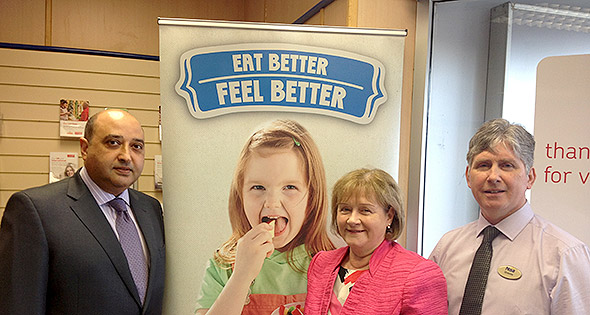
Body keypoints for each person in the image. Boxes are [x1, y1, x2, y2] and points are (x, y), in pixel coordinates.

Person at [0, 109, 166, 314]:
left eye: (136, 146)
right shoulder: (35, 210)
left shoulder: (150, 208)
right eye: (113, 143)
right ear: (85, 148)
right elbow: (19, 306)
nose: (126, 156)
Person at [429, 118, 590, 314]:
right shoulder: (447, 247)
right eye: (483, 165)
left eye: (507, 165)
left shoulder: (564, 254)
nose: (493, 176)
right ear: (468, 176)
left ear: (530, 178)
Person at [195, 119, 334, 315]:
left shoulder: (333, 266)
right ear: (240, 196)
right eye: (258, 187)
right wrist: (241, 277)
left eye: (290, 187)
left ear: (312, 197)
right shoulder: (223, 265)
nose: (272, 203)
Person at [305, 168, 448, 315]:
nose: (352, 220)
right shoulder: (321, 263)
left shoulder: (419, 274)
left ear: (389, 216)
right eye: (345, 209)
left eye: (365, 210)